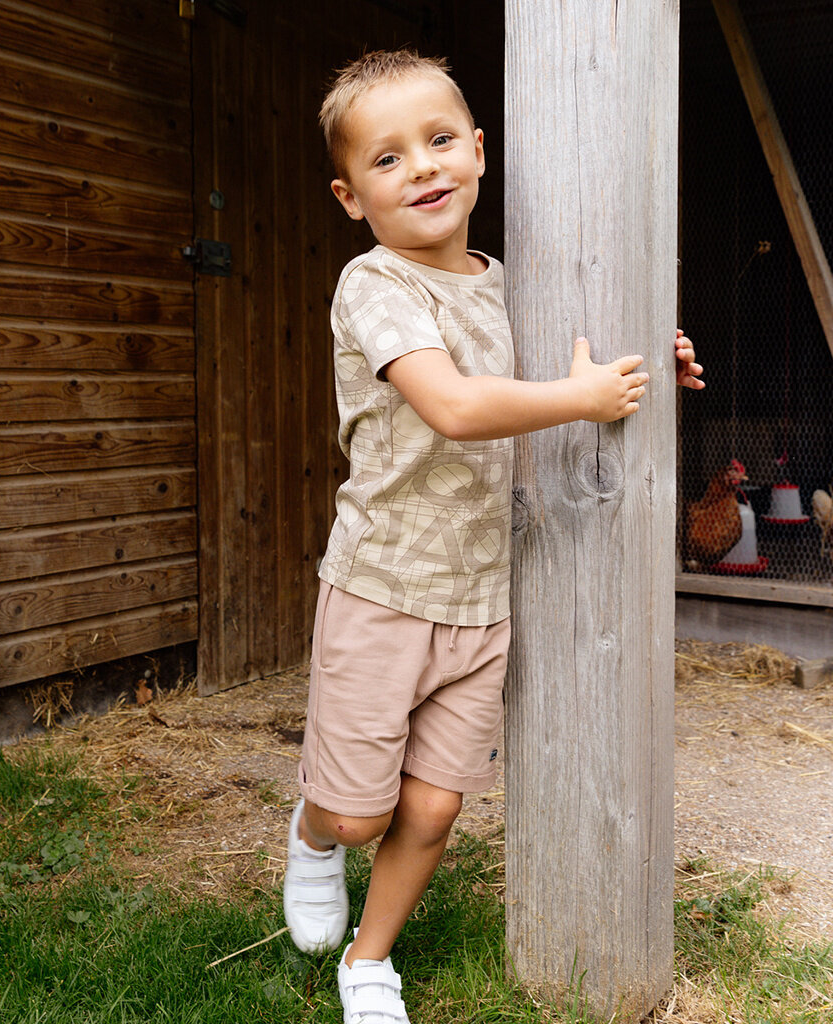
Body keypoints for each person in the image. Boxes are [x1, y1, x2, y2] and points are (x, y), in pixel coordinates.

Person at [282, 49, 704, 1024]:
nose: (421, 167)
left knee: (431, 809)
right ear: (350, 197)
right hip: (382, 586)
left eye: (437, 141)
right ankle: (311, 835)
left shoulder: (502, 282)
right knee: (361, 812)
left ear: (477, 152)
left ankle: (368, 961)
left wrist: (655, 350)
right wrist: (580, 397)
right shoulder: (373, 285)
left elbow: (578, 353)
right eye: (386, 160)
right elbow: (458, 407)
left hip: (479, 595)